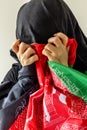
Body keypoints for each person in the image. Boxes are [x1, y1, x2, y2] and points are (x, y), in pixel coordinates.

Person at [0, 0, 87, 129]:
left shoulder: (83, 65)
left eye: (52, 44)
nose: (44, 55)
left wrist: (65, 73)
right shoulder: (17, 73)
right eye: (33, 47)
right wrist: (26, 79)